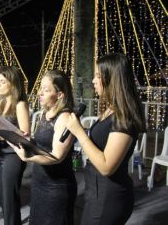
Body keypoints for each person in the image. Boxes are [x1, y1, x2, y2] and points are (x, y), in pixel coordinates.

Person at [65, 53, 146, 224]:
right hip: (95, 192)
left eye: (97, 76)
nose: (93, 81)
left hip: (109, 197)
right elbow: (104, 140)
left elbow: (106, 166)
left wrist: (79, 132)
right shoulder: (110, 109)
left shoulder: (124, 117)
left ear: (112, 79)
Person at [9, 70, 77, 225]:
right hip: (40, 180)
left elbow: (56, 157)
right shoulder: (44, 114)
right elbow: (41, 144)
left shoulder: (64, 117)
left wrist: (28, 157)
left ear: (59, 95)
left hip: (57, 187)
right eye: (41, 88)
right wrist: (26, 139)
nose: (40, 93)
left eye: (46, 90)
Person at [0, 66, 30, 225]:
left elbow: (25, 135)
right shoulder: (0, 104)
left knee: (10, 198)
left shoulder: (20, 105)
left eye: (2, 81)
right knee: (5, 198)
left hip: (13, 155)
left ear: (13, 84)